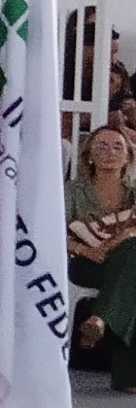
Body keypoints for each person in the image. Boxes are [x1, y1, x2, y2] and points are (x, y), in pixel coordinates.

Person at [67, 126, 136, 393]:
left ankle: (99, 318)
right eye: (102, 146)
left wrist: (121, 239)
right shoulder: (73, 192)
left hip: (124, 265)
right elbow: (51, 232)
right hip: (85, 263)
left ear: (128, 156)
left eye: (118, 146)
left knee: (131, 258)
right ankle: (127, 378)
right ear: (89, 156)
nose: (110, 152)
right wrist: (86, 250)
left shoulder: (132, 193)